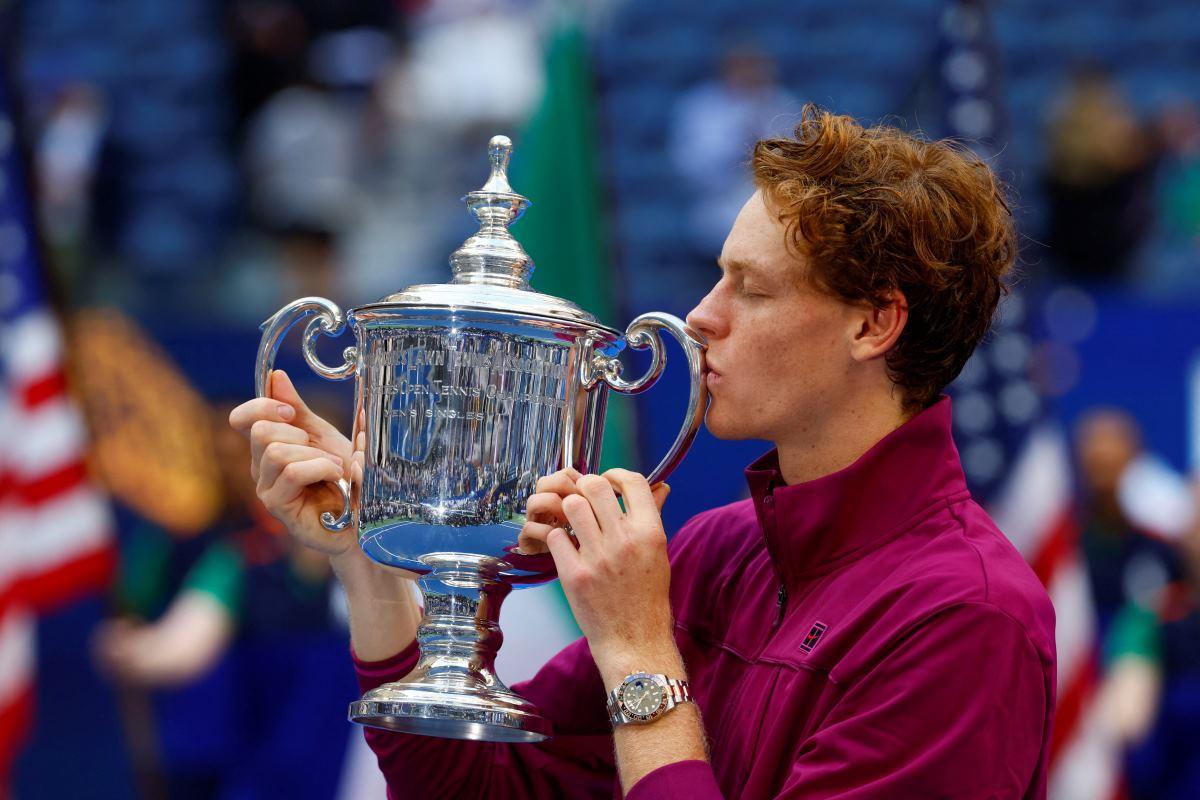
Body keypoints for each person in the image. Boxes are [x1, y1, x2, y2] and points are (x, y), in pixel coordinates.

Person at [230, 106, 1056, 799]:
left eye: (753, 288)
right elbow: (472, 784)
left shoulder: (967, 618)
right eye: (716, 277)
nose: (700, 316)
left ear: (874, 324)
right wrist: (366, 558)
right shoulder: (717, 551)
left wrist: (636, 652)